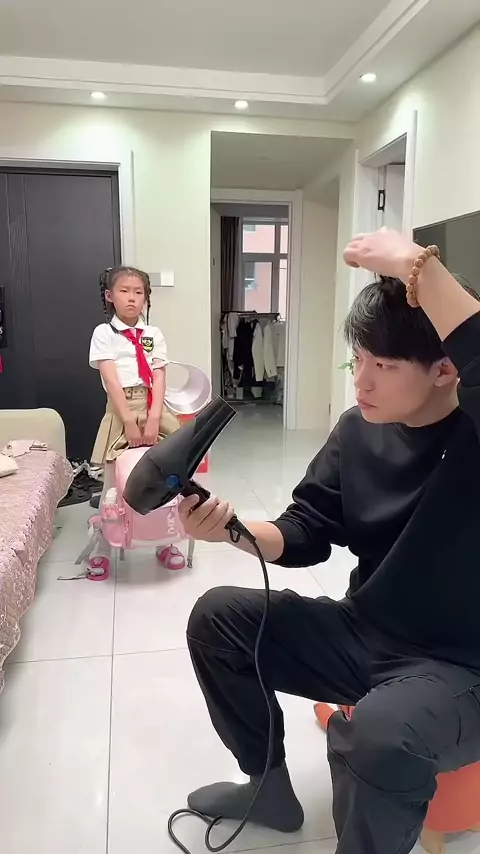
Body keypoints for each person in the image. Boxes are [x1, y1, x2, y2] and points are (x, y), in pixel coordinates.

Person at [178, 229, 480, 854]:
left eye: (384, 366)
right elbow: (308, 528)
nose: (361, 382)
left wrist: (417, 267)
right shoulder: (359, 429)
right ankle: (266, 788)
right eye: (358, 360)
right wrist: (233, 530)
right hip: (366, 633)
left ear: (446, 370)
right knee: (218, 618)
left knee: (377, 736)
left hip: (461, 667)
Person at [89, 266, 186, 573]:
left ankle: (166, 541)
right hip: (121, 409)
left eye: (138, 292)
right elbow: (111, 380)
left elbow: (159, 375)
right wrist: (130, 421)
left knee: (166, 479)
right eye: (124, 291)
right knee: (113, 484)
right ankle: (103, 544)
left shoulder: (154, 334)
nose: (131, 298)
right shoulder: (103, 334)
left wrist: (155, 416)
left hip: (154, 405)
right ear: (110, 296)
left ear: (146, 298)